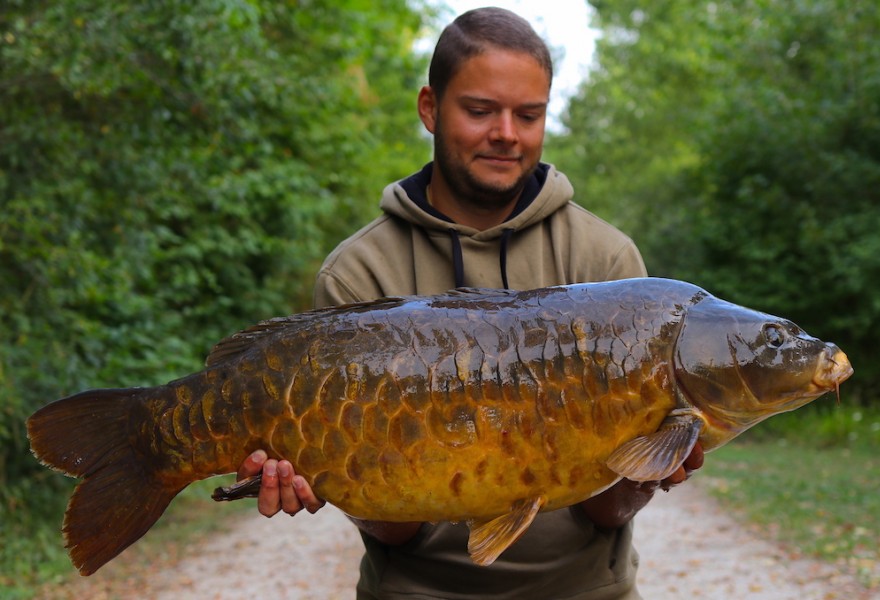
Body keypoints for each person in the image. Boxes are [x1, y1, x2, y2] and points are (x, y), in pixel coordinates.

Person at [236, 7, 704, 599]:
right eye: (480, 111)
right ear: (430, 108)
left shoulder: (608, 265)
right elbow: (395, 534)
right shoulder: (359, 271)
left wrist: (652, 471)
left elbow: (608, 513)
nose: (506, 132)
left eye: (528, 114)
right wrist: (330, 475)